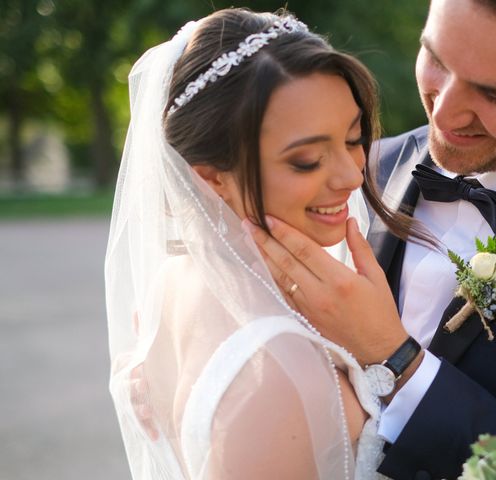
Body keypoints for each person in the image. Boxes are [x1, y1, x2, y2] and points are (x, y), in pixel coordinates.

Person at [249, 0, 496, 478]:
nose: (446, 111)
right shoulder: (361, 168)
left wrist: (393, 359)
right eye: (436, 59)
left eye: (494, 94)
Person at [105, 8, 431, 479]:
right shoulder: (271, 376)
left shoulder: (175, 281)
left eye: (354, 138)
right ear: (213, 179)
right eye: (306, 161)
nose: (350, 175)